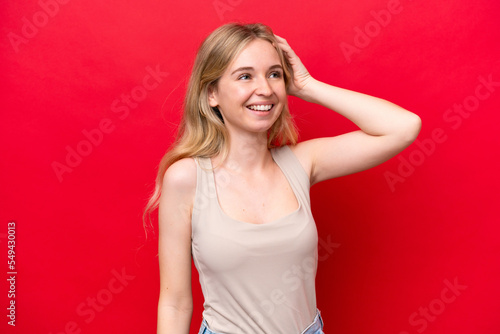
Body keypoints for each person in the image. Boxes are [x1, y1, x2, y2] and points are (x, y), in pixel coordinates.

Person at [145, 23, 421, 334]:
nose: (265, 89)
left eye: (274, 74)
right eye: (245, 76)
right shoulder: (186, 179)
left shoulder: (302, 163)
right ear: (211, 94)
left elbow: (403, 126)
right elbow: (175, 302)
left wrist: (307, 85)